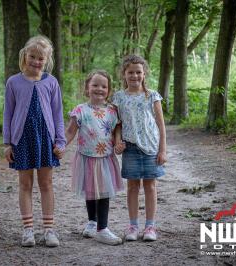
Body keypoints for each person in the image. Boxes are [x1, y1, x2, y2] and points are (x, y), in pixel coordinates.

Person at [3, 35, 66, 247]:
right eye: (32, 57)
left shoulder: (51, 82)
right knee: (25, 183)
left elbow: (58, 113)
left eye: (41, 58)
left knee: (46, 183)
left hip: (46, 139)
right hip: (22, 139)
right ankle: (28, 230)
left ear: (47, 60)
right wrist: (7, 143)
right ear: (25, 56)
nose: (36, 62)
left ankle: (49, 230)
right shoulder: (13, 82)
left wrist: (60, 141)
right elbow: (8, 113)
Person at [65, 70, 125, 245]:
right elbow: (70, 132)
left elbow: (116, 133)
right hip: (86, 157)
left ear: (109, 90)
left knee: (103, 192)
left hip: (105, 158)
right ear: (87, 88)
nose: (99, 89)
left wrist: (118, 143)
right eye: (95, 85)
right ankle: (92, 222)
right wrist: (60, 145)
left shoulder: (112, 112)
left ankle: (102, 229)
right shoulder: (80, 110)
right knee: (91, 191)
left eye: (104, 86)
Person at [112, 54, 167, 242]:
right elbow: (117, 124)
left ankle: (150, 226)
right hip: (130, 148)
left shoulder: (152, 96)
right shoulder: (119, 97)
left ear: (144, 74)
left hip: (151, 147)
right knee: (133, 187)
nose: (134, 76)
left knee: (150, 186)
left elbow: (161, 125)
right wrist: (117, 142)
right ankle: (133, 226)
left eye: (138, 72)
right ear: (124, 74)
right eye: (130, 73)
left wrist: (163, 150)